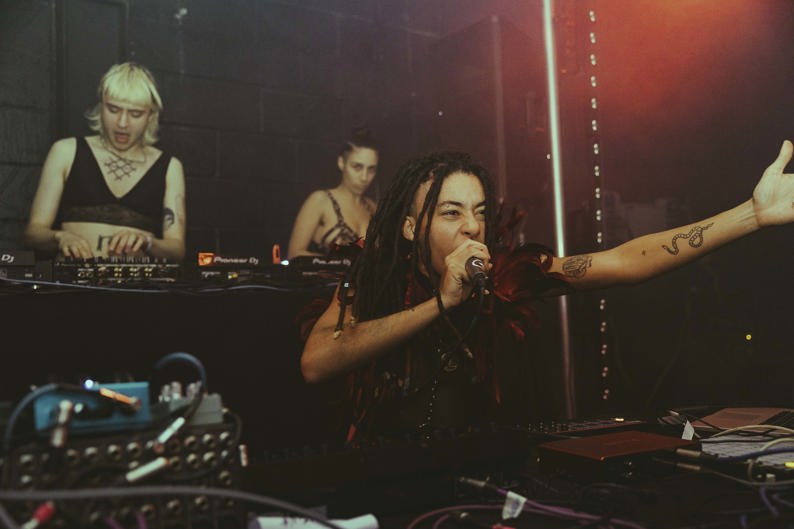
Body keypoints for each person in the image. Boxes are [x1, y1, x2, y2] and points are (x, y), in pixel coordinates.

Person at [299, 142, 794, 442]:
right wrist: (442, 303)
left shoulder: (507, 277)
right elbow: (317, 362)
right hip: (383, 480)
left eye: (479, 211)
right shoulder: (373, 282)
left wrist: (751, 215)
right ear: (411, 228)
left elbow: (626, 261)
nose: (472, 226)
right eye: (451, 213)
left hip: (478, 477)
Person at [23, 62, 186, 261]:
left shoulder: (170, 167)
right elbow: (32, 234)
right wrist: (61, 237)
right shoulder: (65, 151)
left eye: (135, 114)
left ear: (150, 116)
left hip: (136, 281)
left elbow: (177, 250)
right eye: (113, 109)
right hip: (71, 279)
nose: (122, 123)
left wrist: (147, 242)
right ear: (101, 107)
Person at [287, 128, 379, 259]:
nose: (364, 177)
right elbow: (294, 255)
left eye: (371, 169)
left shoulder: (373, 208)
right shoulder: (320, 201)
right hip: (324, 273)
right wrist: (339, 263)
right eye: (357, 167)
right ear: (341, 163)